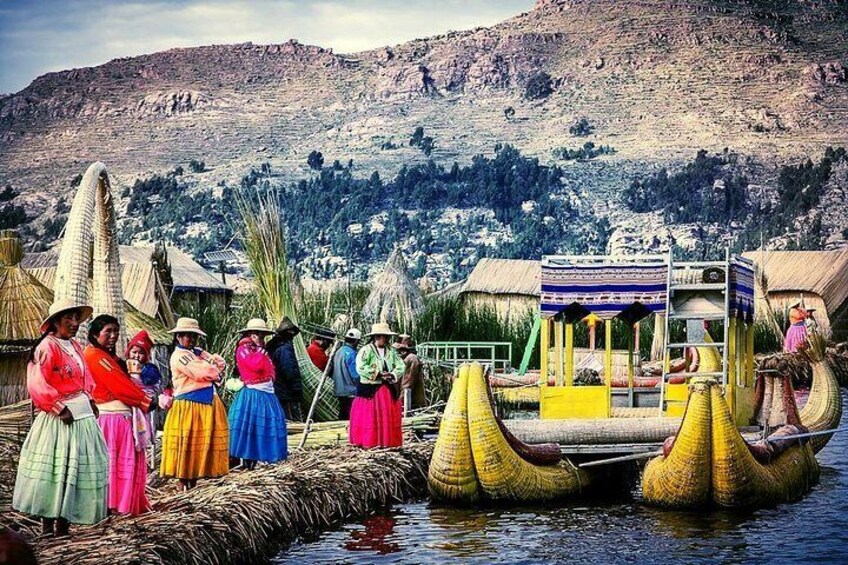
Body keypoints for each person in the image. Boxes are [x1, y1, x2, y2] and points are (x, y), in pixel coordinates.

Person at [12, 299, 108, 536]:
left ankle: (64, 525)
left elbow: (85, 378)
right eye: (69, 319)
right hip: (60, 419)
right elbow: (37, 382)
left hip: (81, 415)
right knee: (55, 470)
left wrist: (91, 400)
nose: (74, 323)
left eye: (76, 318)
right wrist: (57, 408)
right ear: (55, 322)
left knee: (75, 470)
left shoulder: (74, 346)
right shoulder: (47, 346)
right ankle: (47, 526)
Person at [85, 315, 156, 515]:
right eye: (108, 331)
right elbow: (119, 386)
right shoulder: (95, 356)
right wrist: (146, 401)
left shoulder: (109, 358)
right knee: (115, 464)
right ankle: (116, 507)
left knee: (117, 464)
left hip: (119, 417)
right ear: (94, 333)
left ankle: (120, 506)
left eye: (116, 331)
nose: (113, 336)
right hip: (113, 419)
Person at [160, 317, 229, 490]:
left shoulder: (196, 353)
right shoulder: (180, 356)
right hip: (189, 405)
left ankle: (192, 485)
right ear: (178, 337)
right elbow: (204, 371)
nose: (190, 339)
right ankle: (181, 487)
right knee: (187, 445)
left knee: (199, 447)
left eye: (193, 336)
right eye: (186, 335)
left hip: (205, 404)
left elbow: (221, 362)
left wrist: (208, 364)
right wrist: (209, 366)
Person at [228, 318, 288, 469]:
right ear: (249, 334)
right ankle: (246, 463)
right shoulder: (244, 349)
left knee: (263, 428)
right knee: (250, 429)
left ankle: (257, 463)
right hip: (253, 395)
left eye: (262, 335)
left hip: (266, 393)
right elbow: (256, 365)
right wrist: (260, 348)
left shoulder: (260, 350)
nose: (260, 338)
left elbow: (270, 369)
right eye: (257, 334)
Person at [349, 322, 405, 448]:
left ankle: (386, 442)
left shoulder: (391, 351)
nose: (384, 339)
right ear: (375, 337)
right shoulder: (366, 350)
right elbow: (361, 366)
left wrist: (392, 374)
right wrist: (377, 374)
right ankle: (369, 442)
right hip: (370, 390)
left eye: (386, 337)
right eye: (381, 336)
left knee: (386, 416)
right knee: (369, 416)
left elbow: (401, 365)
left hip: (386, 391)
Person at [125, 330, 164, 466]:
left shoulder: (150, 369)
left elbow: (153, 385)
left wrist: (142, 372)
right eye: (133, 352)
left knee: (141, 434)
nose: (136, 356)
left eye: (140, 353)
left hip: (143, 407)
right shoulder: (122, 367)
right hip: (128, 408)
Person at [267, 316, 303, 421]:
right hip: (285, 391)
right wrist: (296, 389)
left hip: (276, 388)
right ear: (289, 333)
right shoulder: (284, 348)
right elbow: (289, 370)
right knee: (290, 418)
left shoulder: (272, 346)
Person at [332, 328, 361, 420]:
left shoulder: (338, 351)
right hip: (350, 391)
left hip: (339, 389)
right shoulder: (351, 354)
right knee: (351, 416)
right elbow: (355, 375)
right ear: (356, 341)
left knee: (343, 414)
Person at [395, 337, 425, 416]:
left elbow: (407, 385)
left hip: (412, 406)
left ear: (404, 350)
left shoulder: (412, 359)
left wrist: (399, 406)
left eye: (400, 350)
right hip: (405, 404)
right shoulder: (403, 360)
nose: (398, 352)